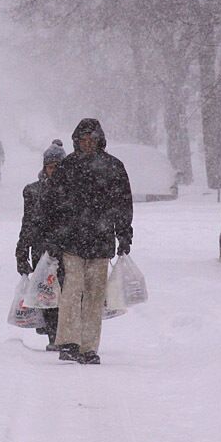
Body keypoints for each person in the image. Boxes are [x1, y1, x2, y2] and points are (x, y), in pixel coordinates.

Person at [42, 118, 132, 365]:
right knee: (72, 291)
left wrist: (124, 233)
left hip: (100, 242)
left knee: (94, 294)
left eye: (92, 140)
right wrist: (53, 235)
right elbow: (53, 204)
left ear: (100, 140)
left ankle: (89, 346)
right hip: (72, 241)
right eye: (84, 140)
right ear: (76, 141)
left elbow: (122, 204)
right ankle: (70, 342)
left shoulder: (113, 167)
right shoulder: (68, 167)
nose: (88, 144)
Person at [15, 140, 66, 350]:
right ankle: (53, 337)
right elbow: (27, 222)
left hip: (65, 248)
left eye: (57, 166)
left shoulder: (72, 190)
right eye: (50, 166)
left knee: (64, 293)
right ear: (45, 167)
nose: (53, 170)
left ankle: (63, 335)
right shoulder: (33, 191)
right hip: (41, 250)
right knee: (46, 293)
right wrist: (22, 251)